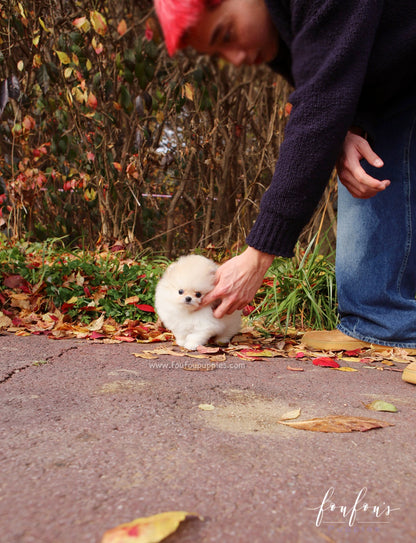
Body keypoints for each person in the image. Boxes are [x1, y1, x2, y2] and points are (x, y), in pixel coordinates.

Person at [154, 0, 416, 353]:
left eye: (226, 33)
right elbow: (332, 79)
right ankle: (381, 324)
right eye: (218, 51)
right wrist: (350, 127)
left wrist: (258, 254)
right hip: (400, 77)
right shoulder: (280, 25)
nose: (235, 58)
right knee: (370, 166)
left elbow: (319, 103)